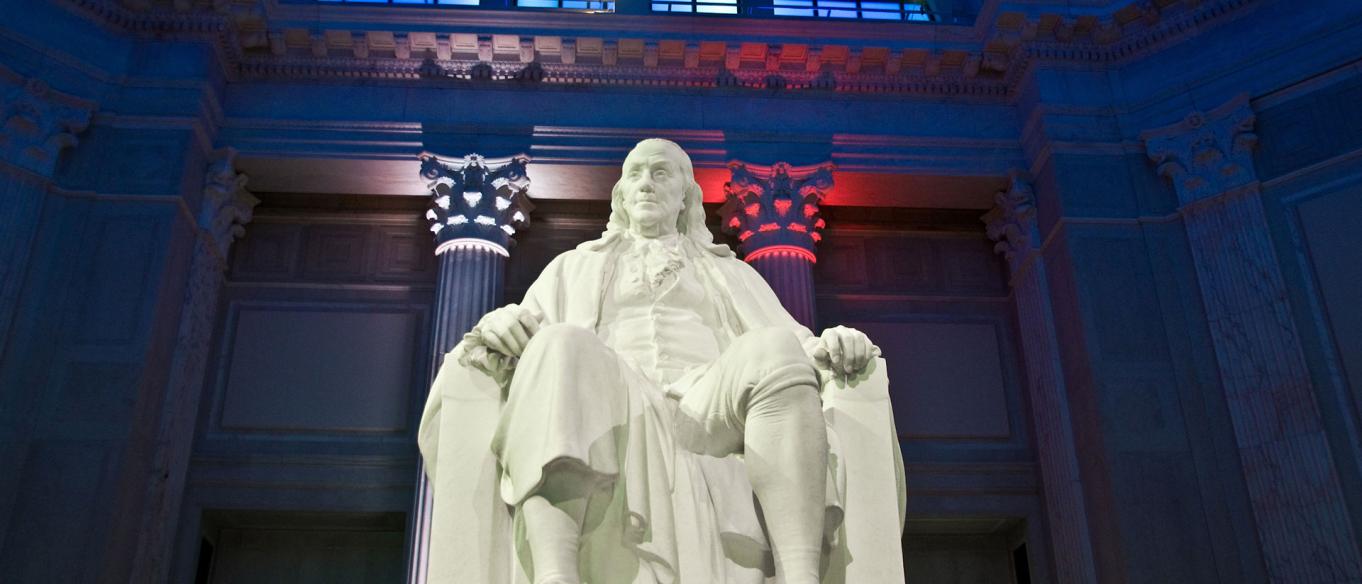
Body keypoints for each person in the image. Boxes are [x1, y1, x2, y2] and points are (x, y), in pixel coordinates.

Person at [452, 138, 877, 584]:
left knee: (773, 348)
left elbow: (797, 343)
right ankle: (556, 574)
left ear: (686, 196)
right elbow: (525, 336)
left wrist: (835, 344)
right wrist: (498, 325)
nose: (646, 185)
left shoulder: (728, 271)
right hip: (613, 402)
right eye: (635, 174)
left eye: (661, 173)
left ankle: (801, 575)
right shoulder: (572, 267)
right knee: (559, 343)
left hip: (707, 399)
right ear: (620, 195)